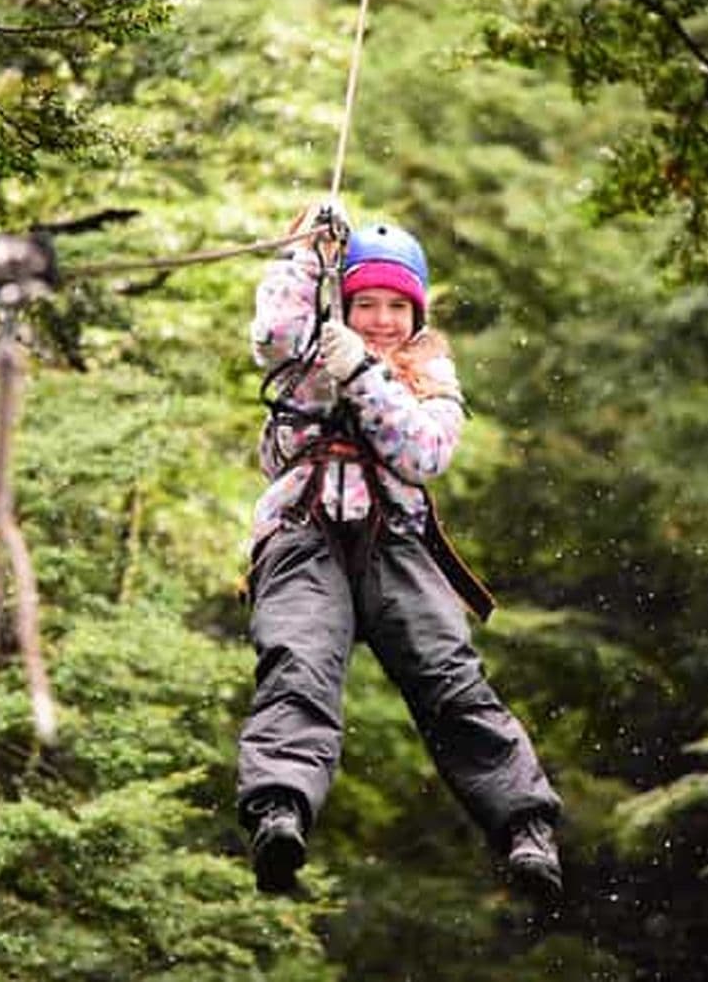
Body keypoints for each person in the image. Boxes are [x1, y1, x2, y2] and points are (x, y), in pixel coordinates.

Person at [236, 204, 562, 901]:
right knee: (299, 661)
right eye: (364, 304)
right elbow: (272, 333)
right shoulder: (311, 352)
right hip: (306, 529)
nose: (380, 320)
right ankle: (280, 810)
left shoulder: (431, 374)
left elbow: (424, 451)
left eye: (395, 305)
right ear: (344, 304)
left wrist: (365, 375)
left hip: (396, 542)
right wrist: (308, 257)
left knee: (449, 675)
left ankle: (525, 829)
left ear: (416, 312)